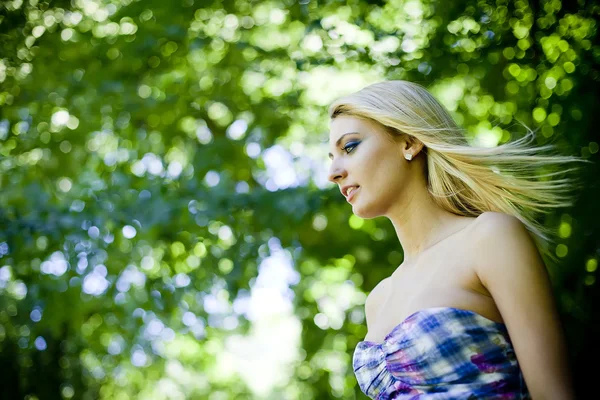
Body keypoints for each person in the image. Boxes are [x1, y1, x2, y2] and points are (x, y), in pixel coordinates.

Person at [326, 80, 586, 399]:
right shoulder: (377, 300)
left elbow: (553, 393)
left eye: (349, 147)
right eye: (331, 156)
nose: (333, 172)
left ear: (408, 142)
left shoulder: (489, 237)